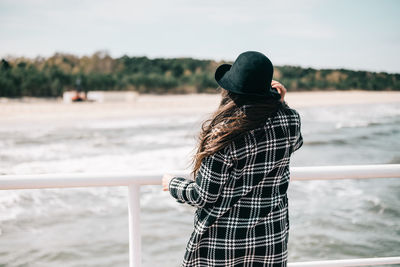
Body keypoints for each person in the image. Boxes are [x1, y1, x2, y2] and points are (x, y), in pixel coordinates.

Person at [162, 51, 303, 267]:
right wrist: (280, 103)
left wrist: (171, 184)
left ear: (231, 89)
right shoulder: (290, 120)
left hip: (224, 244)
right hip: (270, 239)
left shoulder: (225, 133)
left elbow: (203, 196)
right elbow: (296, 144)